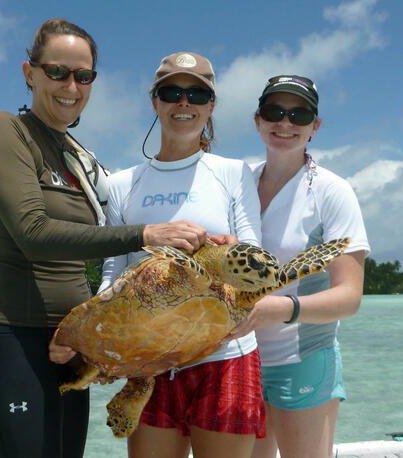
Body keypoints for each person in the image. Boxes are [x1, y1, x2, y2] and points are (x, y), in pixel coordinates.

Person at [0, 19, 209, 458]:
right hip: (13, 338)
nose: (71, 86)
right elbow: (33, 233)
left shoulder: (77, 156)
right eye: (57, 71)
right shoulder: (6, 131)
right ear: (30, 73)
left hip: (72, 345)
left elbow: (114, 228)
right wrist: (148, 234)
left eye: (84, 76)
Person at [98, 52, 267, 458]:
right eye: (172, 92)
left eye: (196, 94)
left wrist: (229, 251)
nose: (184, 103)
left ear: (210, 105)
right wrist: (105, 340)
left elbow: (256, 257)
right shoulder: (120, 184)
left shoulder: (231, 172)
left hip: (225, 354)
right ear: (154, 101)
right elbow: (113, 272)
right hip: (148, 361)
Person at [228, 75, 370, 458]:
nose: (285, 123)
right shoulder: (237, 184)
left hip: (303, 358)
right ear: (257, 120)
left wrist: (282, 309)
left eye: (299, 114)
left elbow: (348, 297)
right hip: (240, 359)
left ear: (315, 127)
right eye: (274, 112)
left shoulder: (331, 190)